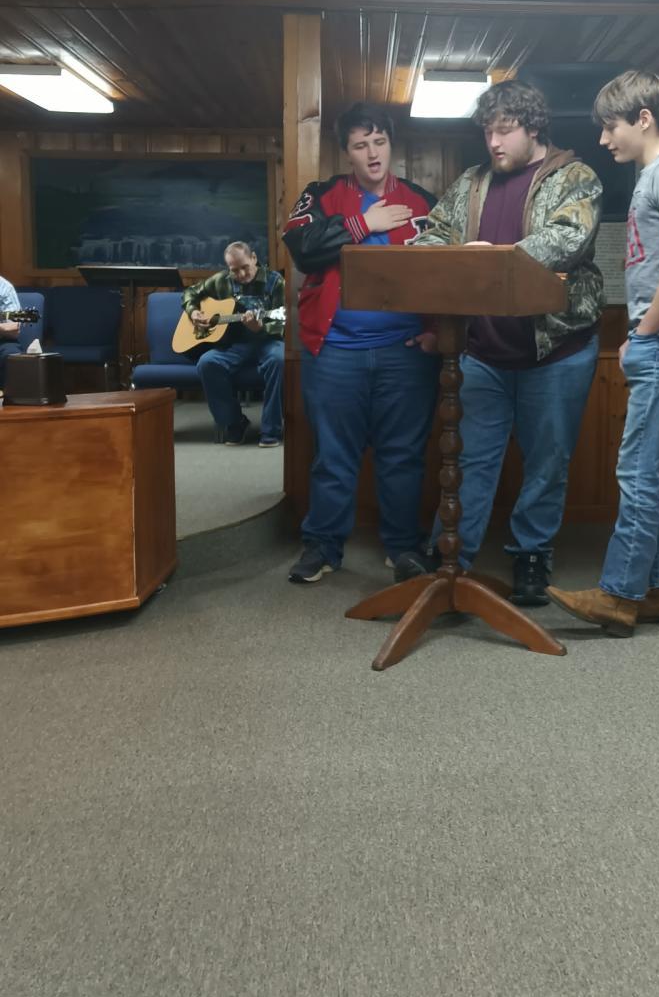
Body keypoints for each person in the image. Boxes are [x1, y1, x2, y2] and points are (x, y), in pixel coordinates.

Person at [399, 79, 604, 607]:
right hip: (483, 352)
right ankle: (450, 556)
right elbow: (431, 235)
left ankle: (532, 557)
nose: (493, 141)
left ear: (533, 128)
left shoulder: (575, 177)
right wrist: (452, 254)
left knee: (546, 464)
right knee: (469, 460)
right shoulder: (471, 183)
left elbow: (566, 240)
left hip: (557, 351)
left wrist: (491, 257)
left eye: (505, 130)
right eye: (488, 131)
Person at [546, 71, 659, 637]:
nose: (603, 138)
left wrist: (643, 334)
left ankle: (619, 596)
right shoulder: (656, 174)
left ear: (644, 118)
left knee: (637, 469)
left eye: (610, 126)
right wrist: (640, 330)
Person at [282, 101, 440, 585]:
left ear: (390, 145)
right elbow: (301, 248)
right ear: (346, 152)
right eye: (360, 145)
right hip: (335, 352)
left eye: (379, 142)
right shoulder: (322, 195)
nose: (372, 153)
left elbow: (448, 270)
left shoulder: (422, 201)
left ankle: (403, 547)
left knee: (403, 455)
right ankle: (323, 547)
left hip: (405, 354)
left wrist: (437, 329)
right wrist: (363, 225)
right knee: (333, 456)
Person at [182, 242, 285, 447]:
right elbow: (190, 293)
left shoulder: (275, 281)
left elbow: (284, 321)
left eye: (245, 267)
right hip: (235, 344)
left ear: (254, 258)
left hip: (268, 341)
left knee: (279, 360)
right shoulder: (222, 280)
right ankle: (235, 423)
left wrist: (260, 328)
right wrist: (193, 312)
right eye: (234, 270)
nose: (241, 274)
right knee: (207, 363)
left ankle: (271, 429)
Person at [0, 273, 22, 388]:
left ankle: (9, 396)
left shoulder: (4, 287)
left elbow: (13, 328)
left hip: (2, 340)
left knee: (10, 354)